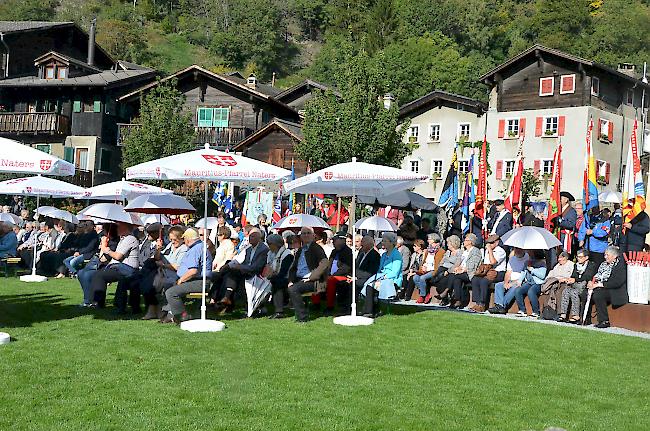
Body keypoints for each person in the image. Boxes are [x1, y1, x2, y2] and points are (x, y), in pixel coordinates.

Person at [161, 228, 214, 323]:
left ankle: (182, 316)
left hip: (200, 281)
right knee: (171, 287)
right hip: (199, 280)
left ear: (188, 239)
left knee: (171, 292)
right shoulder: (199, 247)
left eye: (184, 239)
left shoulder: (196, 249)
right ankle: (169, 314)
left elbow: (193, 271)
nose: (184, 241)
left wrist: (181, 280)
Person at [214, 227, 269, 314]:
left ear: (259, 238)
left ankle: (224, 299)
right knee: (226, 272)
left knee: (232, 272)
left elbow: (256, 267)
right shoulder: (249, 248)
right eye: (250, 236)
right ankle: (224, 299)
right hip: (246, 271)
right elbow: (237, 260)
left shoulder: (264, 250)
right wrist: (226, 266)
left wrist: (240, 267)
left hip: (256, 275)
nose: (250, 238)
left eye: (253, 236)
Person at [88, 222, 141, 308]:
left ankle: (97, 302)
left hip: (128, 269)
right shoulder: (123, 239)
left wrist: (107, 250)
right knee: (98, 273)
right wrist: (104, 245)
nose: (116, 229)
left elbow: (118, 256)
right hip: (119, 267)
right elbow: (102, 259)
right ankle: (93, 301)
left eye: (119, 227)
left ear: (125, 227)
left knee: (99, 275)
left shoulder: (130, 239)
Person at [141, 226, 188, 320]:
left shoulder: (183, 249)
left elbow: (177, 267)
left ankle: (156, 310)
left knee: (154, 285)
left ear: (181, 239)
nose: (172, 242)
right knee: (147, 283)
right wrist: (158, 249)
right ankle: (153, 310)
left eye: (175, 239)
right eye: (171, 239)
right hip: (162, 273)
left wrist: (163, 265)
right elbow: (158, 258)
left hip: (172, 275)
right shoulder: (170, 245)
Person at [287, 227, 329, 322]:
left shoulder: (316, 248)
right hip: (299, 278)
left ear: (313, 236)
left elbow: (325, 263)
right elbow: (293, 268)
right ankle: (280, 311)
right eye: (303, 233)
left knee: (293, 289)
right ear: (300, 236)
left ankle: (302, 317)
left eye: (308, 233)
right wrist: (290, 280)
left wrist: (311, 277)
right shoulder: (300, 250)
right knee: (281, 284)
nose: (306, 235)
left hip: (313, 281)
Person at [361, 232, 403, 317]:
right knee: (369, 284)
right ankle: (369, 310)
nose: (382, 243)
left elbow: (395, 272)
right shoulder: (383, 255)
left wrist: (382, 278)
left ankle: (369, 311)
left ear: (391, 243)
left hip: (392, 280)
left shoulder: (397, 255)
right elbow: (380, 269)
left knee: (371, 286)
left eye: (385, 241)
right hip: (382, 277)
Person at [338, 235, 380, 314]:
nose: (361, 244)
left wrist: (356, 278)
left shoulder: (374, 255)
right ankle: (343, 307)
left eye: (363, 242)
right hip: (358, 277)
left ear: (369, 244)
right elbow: (356, 268)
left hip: (368, 278)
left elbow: (370, 272)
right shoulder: (362, 253)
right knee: (343, 283)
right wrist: (352, 276)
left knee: (353, 285)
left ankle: (350, 308)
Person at [589, 246, 628, 328]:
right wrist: (591, 282)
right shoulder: (603, 264)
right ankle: (585, 318)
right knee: (585, 293)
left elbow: (617, 282)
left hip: (614, 290)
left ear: (614, 256)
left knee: (598, 295)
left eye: (607, 255)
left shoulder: (620, 266)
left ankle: (604, 320)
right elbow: (596, 276)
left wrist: (601, 284)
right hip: (601, 287)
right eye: (605, 255)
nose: (605, 257)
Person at [469, 234, 507, 312]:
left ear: (497, 242)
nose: (489, 245)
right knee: (475, 279)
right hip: (488, 272)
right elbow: (486, 264)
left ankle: (482, 304)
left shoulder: (501, 251)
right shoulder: (486, 251)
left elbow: (493, 262)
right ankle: (477, 303)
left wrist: (490, 250)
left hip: (498, 273)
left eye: (492, 243)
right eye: (488, 243)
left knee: (484, 281)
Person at [558, 249, 597, 323]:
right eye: (577, 257)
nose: (578, 258)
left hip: (585, 285)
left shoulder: (591, 265)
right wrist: (571, 279)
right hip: (575, 285)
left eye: (580, 257)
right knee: (566, 291)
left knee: (574, 292)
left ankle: (576, 315)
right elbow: (573, 275)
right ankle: (563, 314)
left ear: (586, 257)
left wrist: (576, 279)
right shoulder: (576, 265)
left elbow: (588, 276)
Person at [487, 248, 530, 314]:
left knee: (514, 288)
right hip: (511, 280)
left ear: (523, 250)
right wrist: (506, 282)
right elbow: (508, 272)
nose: (517, 251)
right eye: (515, 249)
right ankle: (500, 306)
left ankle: (502, 306)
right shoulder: (512, 259)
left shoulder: (527, 258)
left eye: (519, 249)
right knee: (498, 285)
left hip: (521, 281)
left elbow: (524, 276)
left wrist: (512, 283)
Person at [318, 232, 352, 315]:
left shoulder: (347, 252)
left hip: (343, 276)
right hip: (332, 275)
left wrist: (332, 275)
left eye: (335, 240)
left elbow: (346, 268)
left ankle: (330, 306)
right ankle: (316, 303)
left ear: (342, 240)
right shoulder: (334, 252)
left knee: (331, 281)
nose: (333, 242)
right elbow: (329, 265)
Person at [266, 234, 294, 319]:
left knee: (277, 282)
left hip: (287, 278)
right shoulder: (270, 253)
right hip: (273, 275)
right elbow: (267, 266)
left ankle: (279, 311)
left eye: (270, 244)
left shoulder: (287, 254)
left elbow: (284, 272)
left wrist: (271, 275)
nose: (269, 246)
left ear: (276, 244)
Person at [539, 251, 575, 318]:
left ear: (565, 258)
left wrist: (563, 279)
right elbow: (550, 274)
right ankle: (547, 313)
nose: (559, 259)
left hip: (564, 283)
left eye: (561, 258)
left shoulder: (571, 265)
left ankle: (559, 313)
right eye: (559, 258)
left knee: (559, 292)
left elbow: (571, 275)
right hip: (555, 282)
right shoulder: (557, 265)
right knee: (547, 291)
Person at [512, 250, 547, 318]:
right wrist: (520, 281)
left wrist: (532, 270)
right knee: (518, 290)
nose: (529, 254)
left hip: (538, 283)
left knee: (531, 292)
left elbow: (542, 276)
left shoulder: (542, 264)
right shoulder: (527, 262)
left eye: (531, 253)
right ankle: (522, 310)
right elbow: (523, 272)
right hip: (529, 282)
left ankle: (536, 312)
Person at [430, 235, 463, 306]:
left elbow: (457, 264)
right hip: (442, 270)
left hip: (451, 271)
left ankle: (445, 298)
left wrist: (448, 271)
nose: (447, 245)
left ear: (453, 243)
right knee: (439, 282)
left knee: (444, 281)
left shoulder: (459, 252)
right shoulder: (448, 252)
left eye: (448, 243)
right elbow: (441, 262)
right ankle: (445, 298)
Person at [410, 233, 444, 302]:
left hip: (433, 270)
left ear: (434, 240)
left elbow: (437, 265)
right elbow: (424, 261)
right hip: (425, 269)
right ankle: (426, 293)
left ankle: (422, 295)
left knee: (422, 278)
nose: (428, 240)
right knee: (415, 277)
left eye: (429, 239)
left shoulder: (440, 251)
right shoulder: (428, 250)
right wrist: (422, 268)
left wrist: (428, 269)